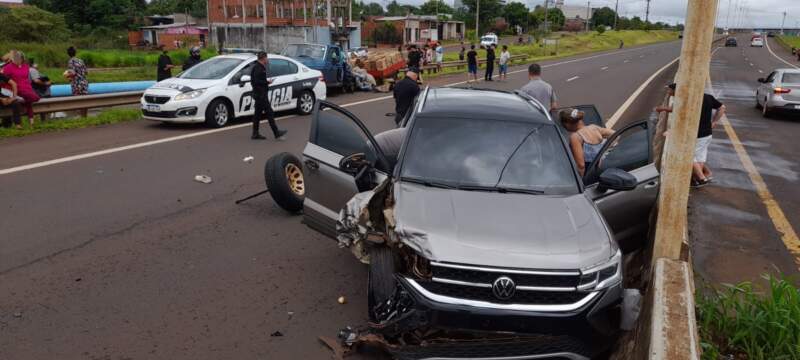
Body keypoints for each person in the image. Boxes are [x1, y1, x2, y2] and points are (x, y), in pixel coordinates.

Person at [656, 83, 726, 187]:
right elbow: (722, 107)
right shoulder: (708, 97)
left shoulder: (689, 100)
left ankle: (702, 178)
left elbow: (682, 118)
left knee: (688, 156)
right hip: (707, 134)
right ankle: (696, 179)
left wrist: (671, 131)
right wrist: (714, 122)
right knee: (699, 158)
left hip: (696, 134)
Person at [560, 108, 615, 176]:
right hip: (603, 171)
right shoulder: (594, 127)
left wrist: (581, 182)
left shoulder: (575, 137)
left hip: (590, 175)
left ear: (567, 124)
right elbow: (615, 134)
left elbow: (581, 165)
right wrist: (605, 153)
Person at [250, 52, 287, 140]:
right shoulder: (259, 68)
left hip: (259, 94)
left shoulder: (257, 67)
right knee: (269, 113)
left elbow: (255, 81)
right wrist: (267, 82)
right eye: (267, 58)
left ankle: (255, 133)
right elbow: (256, 81)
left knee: (257, 115)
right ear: (263, 58)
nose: (267, 60)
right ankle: (276, 133)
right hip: (261, 95)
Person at [2, 50, 40, 125]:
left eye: (20, 59)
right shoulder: (8, 67)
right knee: (30, 98)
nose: (18, 60)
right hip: (16, 89)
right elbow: (4, 79)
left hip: (27, 88)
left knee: (31, 99)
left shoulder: (25, 66)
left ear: (22, 59)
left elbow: (26, 78)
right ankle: (31, 121)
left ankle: (31, 122)